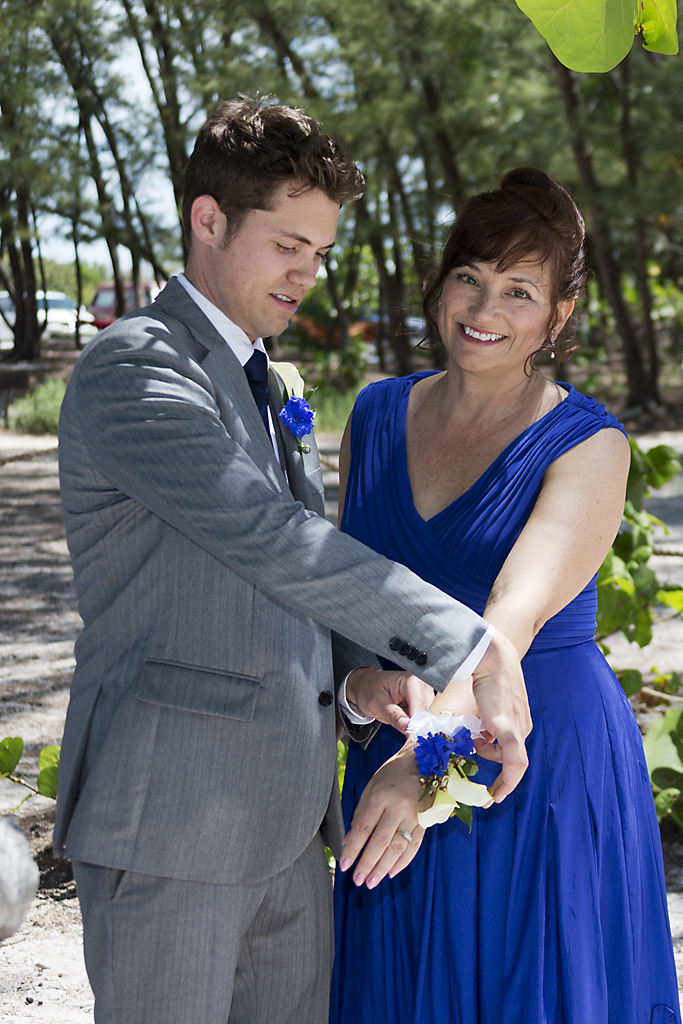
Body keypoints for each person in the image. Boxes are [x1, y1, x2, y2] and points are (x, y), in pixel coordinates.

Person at [54, 99, 531, 1024]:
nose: (307, 273)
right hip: (173, 827)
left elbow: (275, 590)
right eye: (288, 245)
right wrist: (469, 651)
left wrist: (358, 687)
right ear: (208, 220)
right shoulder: (134, 370)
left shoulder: (267, 381)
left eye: (319, 252)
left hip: (289, 834)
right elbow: (268, 538)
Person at [331, 168, 681, 1024]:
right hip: (396, 736)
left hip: (538, 762)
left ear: (556, 317)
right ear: (440, 284)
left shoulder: (590, 445)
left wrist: (423, 765)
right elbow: (337, 596)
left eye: (518, 290)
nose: (483, 310)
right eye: (468, 278)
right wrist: (360, 700)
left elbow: (506, 622)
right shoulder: (374, 416)